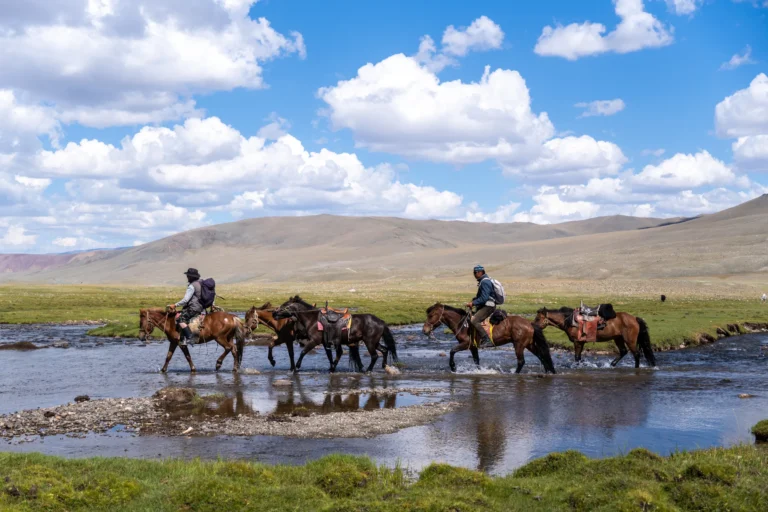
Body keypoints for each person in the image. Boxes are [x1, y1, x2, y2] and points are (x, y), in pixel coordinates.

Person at [168, 268, 205, 346]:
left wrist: (175, 305)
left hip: (193, 308)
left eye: (188, 275)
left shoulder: (192, 286)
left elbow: (185, 300)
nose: (187, 277)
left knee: (180, 319)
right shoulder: (201, 283)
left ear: (191, 277)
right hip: (201, 307)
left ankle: (189, 337)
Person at [465, 265, 496, 348]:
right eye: (474, 273)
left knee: (474, 321)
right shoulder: (483, 281)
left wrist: (473, 303)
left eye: (475, 273)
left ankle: (487, 339)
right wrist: (474, 301)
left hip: (488, 306)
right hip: (485, 305)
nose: (474, 275)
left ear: (480, 272)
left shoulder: (485, 282)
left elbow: (484, 298)